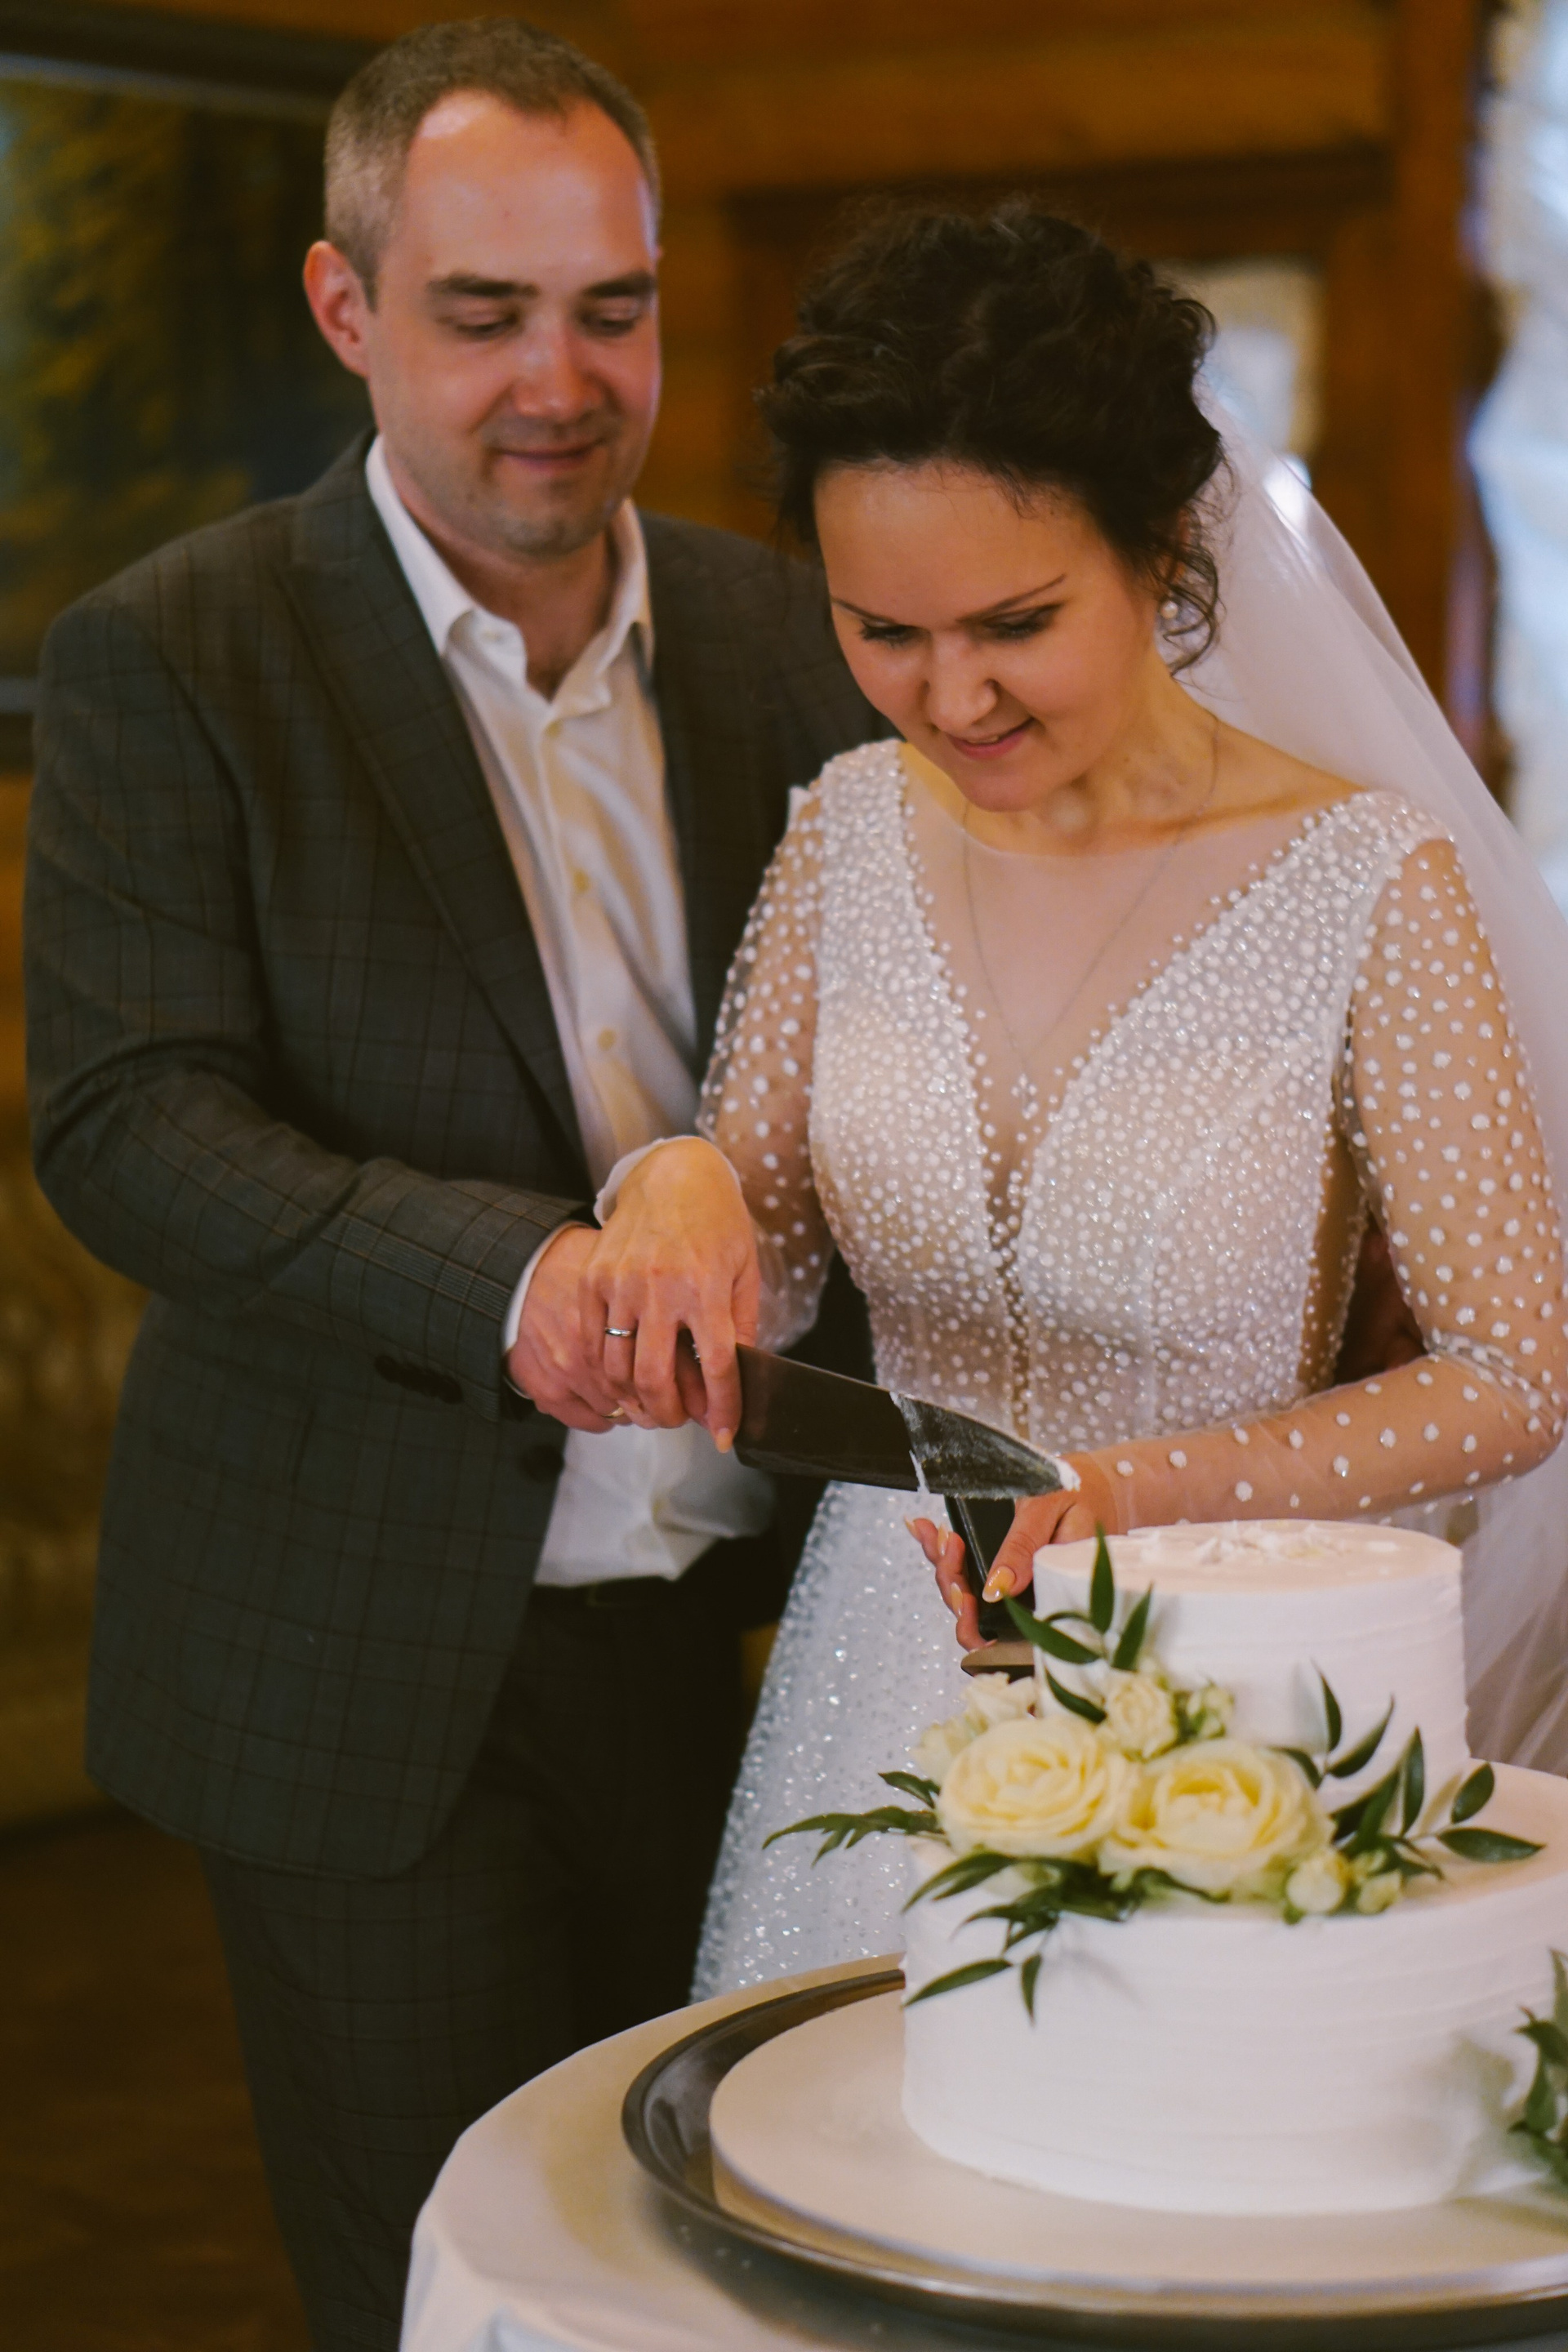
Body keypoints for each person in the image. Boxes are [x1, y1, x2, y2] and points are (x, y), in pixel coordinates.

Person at [24, 20, 880, 2346]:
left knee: (740, 2280)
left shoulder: (788, 632)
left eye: (613, 308)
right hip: (373, 1651)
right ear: (347, 306)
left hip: (751, 1644)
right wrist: (528, 1274)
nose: (559, 381)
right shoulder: (175, 653)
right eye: (484, 312)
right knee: (465, 2296)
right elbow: (129, 1120)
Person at [575, 200, 1568, 1998]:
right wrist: (676, 1183)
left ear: (1164, 553)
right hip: (886, 1656)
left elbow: (1516, 1371)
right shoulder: (847, 833)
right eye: (882, 630)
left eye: (1015, 623)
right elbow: (765, 1267)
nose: (950, 695)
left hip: (1232, 1677)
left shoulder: (1366, 884)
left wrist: (1123, 1494)